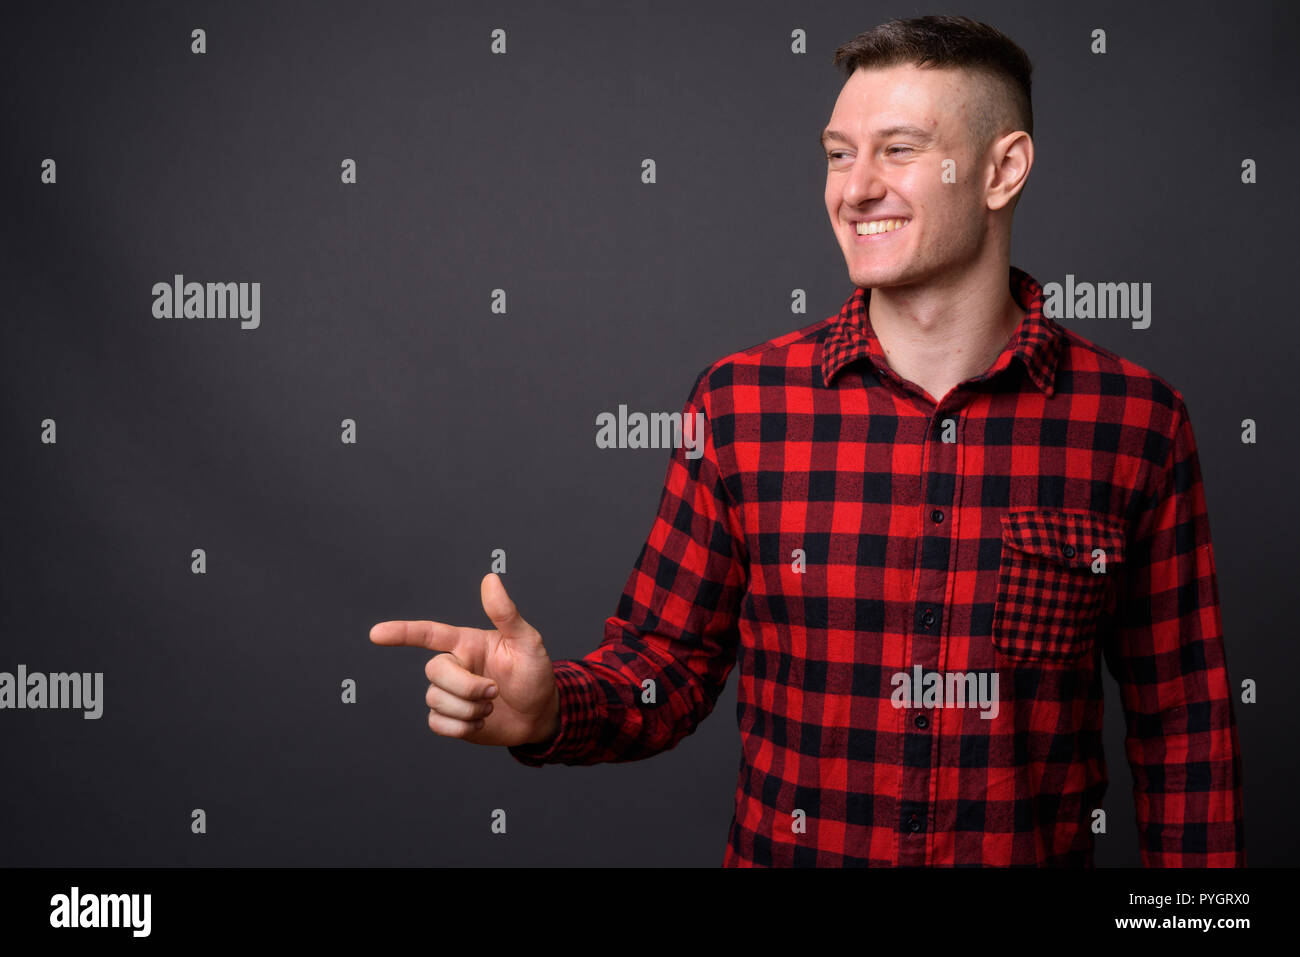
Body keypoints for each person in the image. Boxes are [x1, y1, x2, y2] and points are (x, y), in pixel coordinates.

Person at [371, 15, 1244, 866]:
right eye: (838, 154)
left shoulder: (1137, 423)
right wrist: (551, 707)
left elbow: (1185, 727)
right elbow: (665, 665)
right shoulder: (741, 403)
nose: (854, 186)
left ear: (1001, 170)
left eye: (897, 150)